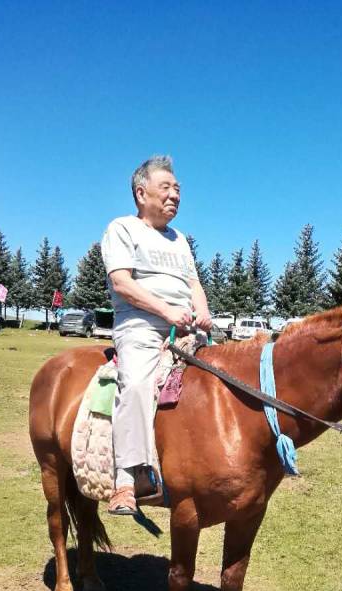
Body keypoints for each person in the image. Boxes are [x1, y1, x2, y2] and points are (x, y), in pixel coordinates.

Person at [100, 155, 212, 516]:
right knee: (134, 385)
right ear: (140, 191)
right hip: (141, 327)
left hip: (186, 329)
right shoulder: (122, 228)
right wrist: (165, 311)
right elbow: (122, 283)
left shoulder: (180, 240)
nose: (175, 195)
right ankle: (126, 480)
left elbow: (194, 284)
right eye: (166, 187)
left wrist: (204, 312)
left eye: (177, 189)